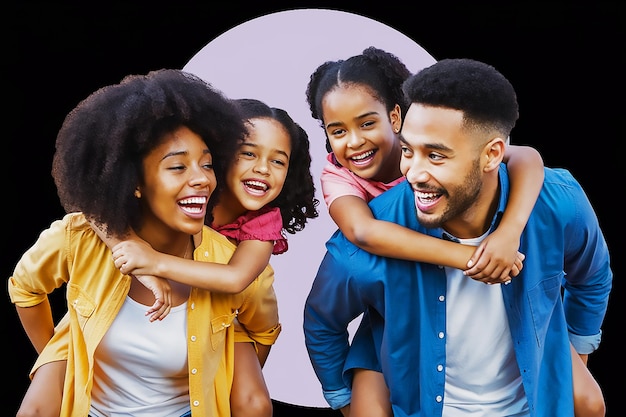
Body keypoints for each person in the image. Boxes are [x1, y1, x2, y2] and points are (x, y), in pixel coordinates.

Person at [303, 58, 611, 417]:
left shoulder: (557, 203)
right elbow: (324, 317)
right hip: (411, 373)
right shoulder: (363, 231)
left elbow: (592, 277)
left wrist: (570, 353)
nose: (413, 173)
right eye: (408, 151)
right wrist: (344, 400)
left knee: (590, 404)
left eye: (435, 155)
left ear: (492, 155)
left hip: (533, 401)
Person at [9, 69, 282, 417]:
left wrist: (220, 375)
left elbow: (262, 333)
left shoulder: (236, 264)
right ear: (134, 182)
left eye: (208, 164)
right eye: (178, 167)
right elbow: (25, 288)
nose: (201, 179)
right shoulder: (79, 238)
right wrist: (57, 356)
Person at [90, 97, 320, 417]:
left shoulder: (263, 221)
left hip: (225, 317)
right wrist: (131, 250)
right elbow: (93, 209)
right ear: (221, 155)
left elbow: (235, 279)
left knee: (252, 402)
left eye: (278, 161)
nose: (262, 169)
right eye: (248, 153)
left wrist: (154, 261)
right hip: (151, 306)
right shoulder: (193, 188)